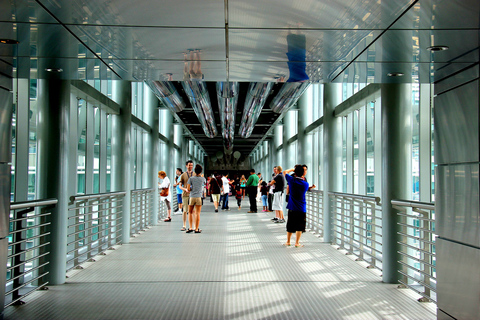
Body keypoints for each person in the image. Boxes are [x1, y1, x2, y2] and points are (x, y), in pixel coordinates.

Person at [283, 165, 309, 247]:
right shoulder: (305, 184)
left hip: (292, 207)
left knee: (290, 225)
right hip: (301, 208)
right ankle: (297, 243)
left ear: (295, 173)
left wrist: (292, 169)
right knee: (300, 226)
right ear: (303, 173)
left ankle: (288, 241)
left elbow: (284, 172)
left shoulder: (291, 181)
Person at [186, 164, 206, 233]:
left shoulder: (191, 179)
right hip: (199, 197)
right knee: (197, 213)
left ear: (194, 171)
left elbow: (188, 189)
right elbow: (203, 185)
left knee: (190, 213)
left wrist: (192, 188)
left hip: (192, 197)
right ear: (201, 171)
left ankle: (190, 227)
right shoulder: (203, 179)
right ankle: (196, 229)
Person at [179, 160, 195, 231]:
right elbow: (180, 185)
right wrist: (184, 189)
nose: (190, 166)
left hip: (193, 195)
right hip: (185, 194)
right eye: (189, 165)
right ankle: (184, 225)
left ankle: (194, 226)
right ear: (186, 166)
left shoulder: (195, 174)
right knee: (185, 210)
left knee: (193, 210)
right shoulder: (183, 175)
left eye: (191, 165)